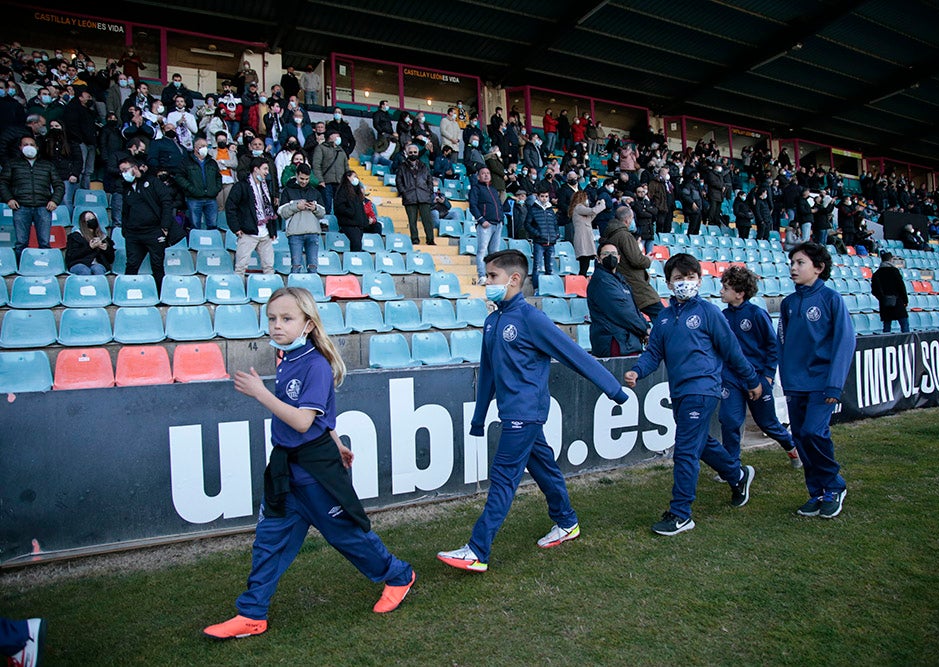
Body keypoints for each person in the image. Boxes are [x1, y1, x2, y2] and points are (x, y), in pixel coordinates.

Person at [204, 287, 415, 639]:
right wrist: (337, 440)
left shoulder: (316, 364)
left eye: (286, 318)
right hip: (285, 470)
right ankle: (252, 613)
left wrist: (261, 394)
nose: (276, 326)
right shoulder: (286, 358)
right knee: (268, 541)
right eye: (272, 318)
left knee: (347, 537)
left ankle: (398, 575)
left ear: (307, 323)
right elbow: (320, 417)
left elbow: (302, 421)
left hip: (315, 473)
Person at [436, 250, 629, 572]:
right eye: (486, 276)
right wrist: (479, 417)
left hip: (525, 414)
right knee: (544, 469)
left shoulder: (531, 318)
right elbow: (488, 373)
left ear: (513, 279)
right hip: (512, 413)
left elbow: (572, 354)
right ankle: (567, 522)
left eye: (492, 276)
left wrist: (614, 389)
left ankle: (477, 550)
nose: (486, 282)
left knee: (502, 479)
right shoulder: (492, 320)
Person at [624, 253, 761, 536]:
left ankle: (681, 513)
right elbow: (654, 354)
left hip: (704, 389)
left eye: (690, 277)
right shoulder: (663, 319)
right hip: (680, 392)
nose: (684, 283)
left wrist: (751, 379)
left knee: (685, 450)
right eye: (678, 278)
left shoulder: (709, 313)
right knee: (703, 444)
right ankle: (737, 474)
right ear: (669, 283)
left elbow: (732, 351)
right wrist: (638, 371)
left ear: (699, 280)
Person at [779, 242, 854, 519]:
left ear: (818, 268)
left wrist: (834, 384)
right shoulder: (788, 303)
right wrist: (786, 379)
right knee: (800, 436)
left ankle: (834, 486)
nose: (793, 268)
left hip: (822, 382)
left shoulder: (831, 300)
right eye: (792, 263)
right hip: (795, 384)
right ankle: (817, 492)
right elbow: (783, 343)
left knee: (813, 432)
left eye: (800, 263)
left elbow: (845, 342)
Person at [718, 266, 801, 468]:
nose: (721, 291)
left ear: (739, 293)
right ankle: (732, 468)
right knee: (729, 421)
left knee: (767, 424)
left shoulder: (756, 314)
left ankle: (792, 448)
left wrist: (768, 376)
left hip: (757, 378)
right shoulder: (722, 316)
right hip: (731, 378)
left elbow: (773, 346)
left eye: (725, 288)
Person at [0, 136, 64, 261]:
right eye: (25, 144)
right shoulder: (13, 164)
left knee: (44, 243)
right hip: (21, 207)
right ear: (20, 147)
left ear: (37, 147)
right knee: (21, 243)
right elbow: (2, 183)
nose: (29, 147)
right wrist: (9, 199)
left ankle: (45, 268)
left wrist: (54, 200)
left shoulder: (47, 165)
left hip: (43, 207)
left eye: (32, 144)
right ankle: (21, 267)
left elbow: (59, 185)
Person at [119, 156, 173, 290]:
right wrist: (125, 231)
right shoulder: (126, 188)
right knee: (131, 264)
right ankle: (128, 294)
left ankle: (160, 296)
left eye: (126, 170)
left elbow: (166, 202)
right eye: (121, 171)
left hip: (153, 231)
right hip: (133, 234)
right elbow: (125, 211)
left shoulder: (153, 182)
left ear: (135, 168)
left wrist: (165, 227)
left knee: (157, 265)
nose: (124, 173)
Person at [587, 243, 649, 357]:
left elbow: (633, 308)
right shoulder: (602, 281)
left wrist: (645, 329)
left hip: (627, 341)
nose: (610, 256)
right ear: (598, 259)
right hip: (614, 342)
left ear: (619, 258)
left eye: (613, 254)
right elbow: (622, 311)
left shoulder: (619, 280)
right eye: (606, 254)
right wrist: (645, 330)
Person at [601, 206, 662, 319]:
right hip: (635, 283)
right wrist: (647, 260)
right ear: (627, 220)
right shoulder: (625, 235)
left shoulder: (611, 235)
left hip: (624, 281)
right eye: (633, 218)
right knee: (661, 315)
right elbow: (636, 260)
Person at [226, 156, 277, 276]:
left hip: (265, 234)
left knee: (269, 267)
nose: (267, 172)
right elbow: (230, 207)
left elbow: (269, 210)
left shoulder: (265, 187)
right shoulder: (241, 186)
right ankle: (238, 292)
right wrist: (236, 228)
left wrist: (272, 230)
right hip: (248, 233)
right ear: (256, 169)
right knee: (240, 267)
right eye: (264, 169)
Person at [279, 164, 325, 273]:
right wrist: (296, 207)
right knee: (296, 266)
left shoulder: (315, 192)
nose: (304, 181)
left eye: (307, 179)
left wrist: (315, 208)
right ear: (296, 175)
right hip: (295, 233)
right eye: (301, 178)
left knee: (313, 266)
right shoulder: (287, 191)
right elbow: (282, 212)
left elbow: (322, 213)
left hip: (313, 233)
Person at [174, 138, 222, 230]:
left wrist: (216, 189)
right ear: (196, 148)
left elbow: (218, 177)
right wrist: (190, 188)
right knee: (195, 226)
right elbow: (179, 177)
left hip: (211, 198)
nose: (205, 148)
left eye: (206, 146)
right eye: (202, 146)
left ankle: (211, 244)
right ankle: (196, 244)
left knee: (213, 225)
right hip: (194, 198)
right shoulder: (186, 162)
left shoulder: (212, 162)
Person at [468, 166, 504, 285]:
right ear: (478, 176)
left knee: (495, 253)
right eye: (483, 173)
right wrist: (481, 219)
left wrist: (501, 219)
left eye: (488, 173)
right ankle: (482, 276)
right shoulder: (476, 188)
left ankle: (492, 277)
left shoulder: (493, 189)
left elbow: (498, 205)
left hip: (498, 224)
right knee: (482, 251)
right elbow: (472, 205)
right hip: (486, 225)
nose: (486, 175)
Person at [396, 143, 435, 246]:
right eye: (410, 152)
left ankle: (430, 239)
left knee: (427, 220)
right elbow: (399, 181)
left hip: (423, 195)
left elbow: (429, 180)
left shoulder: (423, 166)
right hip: (410, 196)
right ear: (407, 153)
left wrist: (429, 191)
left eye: (415, 152)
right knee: (412, 221)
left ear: (418, 153)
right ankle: (415, 239)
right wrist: (404, 192)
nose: (413, 154)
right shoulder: (402, 167)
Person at [334, 170, 381, 252]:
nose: (356, 179)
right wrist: (351, 212)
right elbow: (339, 208)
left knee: (376, 227)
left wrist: (366, 221)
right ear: (348, 177)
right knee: (356, 243)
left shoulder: (356, 191)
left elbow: (361, 209)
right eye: (354, 177)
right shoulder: (342, 192)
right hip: (349, 223)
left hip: (358, 223)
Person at [525, 189, 560, 289]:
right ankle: (536, 288)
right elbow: (527, 224)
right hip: (539, 243)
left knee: (550, 268)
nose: (544, 199)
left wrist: (556, 234)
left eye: (546, 196)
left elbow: (555, 224)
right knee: (537, 267)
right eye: (542, 196)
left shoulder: (550, 210)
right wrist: (537, 234)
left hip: (551, 243)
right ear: (538, 197)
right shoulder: (533, 209)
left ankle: (549, 288)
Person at [65, 210, 115, 275]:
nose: (92, 220)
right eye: (88, 219)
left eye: (93, 218)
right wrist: (90, 247)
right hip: (78, 264)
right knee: (84, 270)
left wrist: (106, 249)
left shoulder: (103, 237)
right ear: (83, 223)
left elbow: (111, 259)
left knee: (98, 269)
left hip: (97, 264)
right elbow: (72, 256)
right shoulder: (76, 236)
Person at [871, 251, 909, 333]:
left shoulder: (877, 274)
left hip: (885, 303)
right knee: (904, 324)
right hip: (898, 301)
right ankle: (908, 342)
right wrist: (905, 301)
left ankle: (886, 343)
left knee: (887, 325)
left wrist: (882, 298)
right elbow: (901, 287)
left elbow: (874, 290)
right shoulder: (895, 271)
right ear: (891, 260)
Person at [312, 131, 349, 214]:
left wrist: (347, 180)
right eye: (336, 135)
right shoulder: (321, 148)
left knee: (340, 206)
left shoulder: (341, 151)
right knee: (326, 206)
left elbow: (346, 167)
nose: (338, 137)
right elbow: (316, 165)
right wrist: (320, 180)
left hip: (339, 183)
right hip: (326, 182)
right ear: (330, 136)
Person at [570, 189, 603, 276]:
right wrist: (602, 205)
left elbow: (590, 217)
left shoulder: (580, 209)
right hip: (582, 238)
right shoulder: (579, 207)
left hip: (586, 237)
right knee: (584, 263)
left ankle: (582, 279)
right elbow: (592, 211)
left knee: (586, 262)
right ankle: (580, 280)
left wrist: (596, 206)